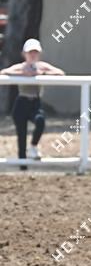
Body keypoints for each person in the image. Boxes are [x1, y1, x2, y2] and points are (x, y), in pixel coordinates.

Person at [1, 39, 65, 170]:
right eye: (30, 52)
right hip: (22, 103)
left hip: (35, 102)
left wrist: (42, 73)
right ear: (24, 54)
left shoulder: (41, 66)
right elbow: (3, 72)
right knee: (21, 136)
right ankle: (23, 168)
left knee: (40, 120)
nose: (33, 55)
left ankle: (33, 146)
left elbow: (60, 72)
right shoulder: (21, 67)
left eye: (35, 52)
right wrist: (23, 74)